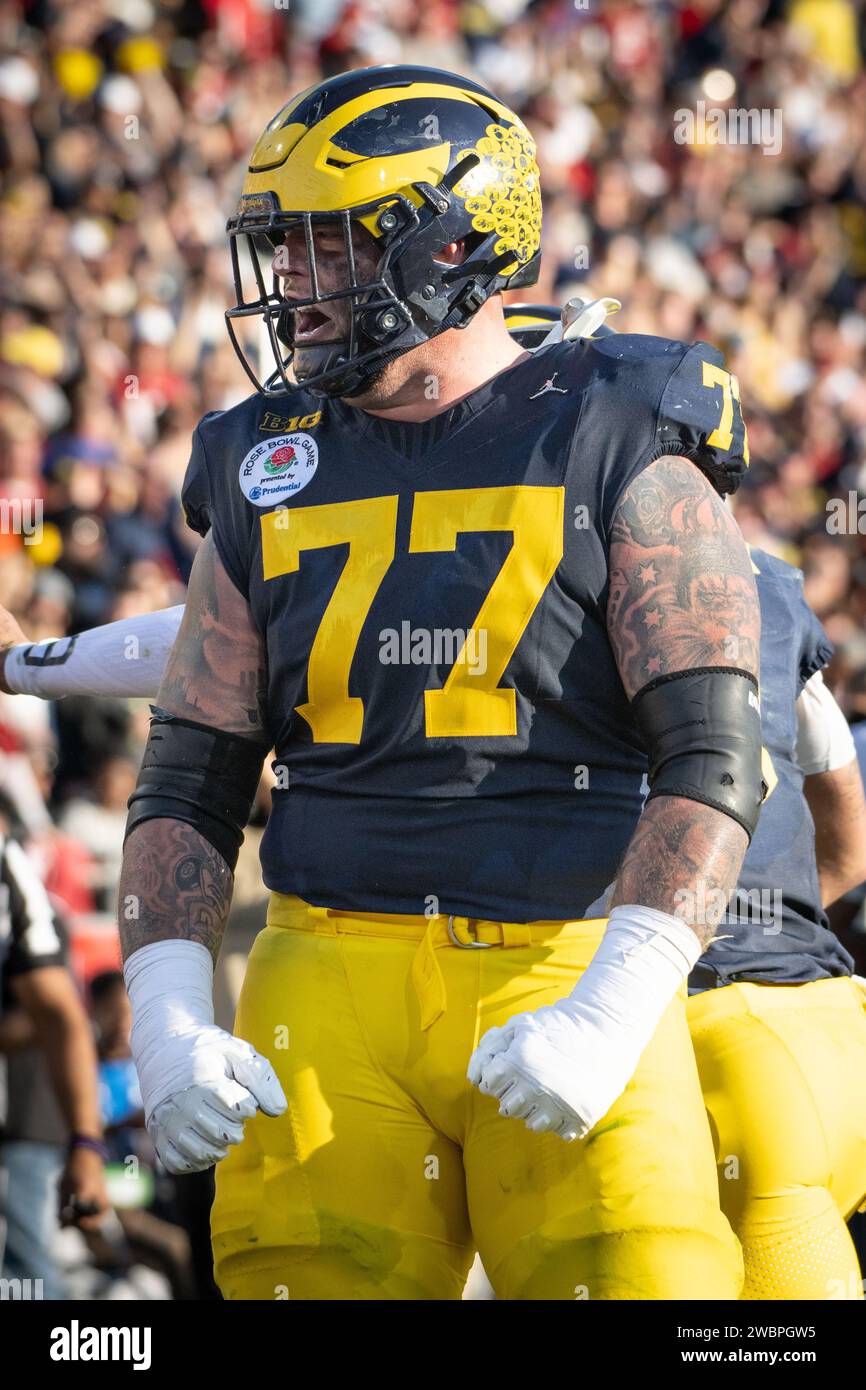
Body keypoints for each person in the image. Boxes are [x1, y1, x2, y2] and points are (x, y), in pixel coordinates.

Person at [113, 65, 767, 1301]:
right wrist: (166, 1011)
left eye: (324, 245)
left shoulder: (615, 417)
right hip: (322, 975)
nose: (290, 287)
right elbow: (189, 771)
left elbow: (713, 755)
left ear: (456, 244)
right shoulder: (263, 457)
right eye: (279, 248)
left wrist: (613, 1005)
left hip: (564, 960)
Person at [0, 789, 109, 1293]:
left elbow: (60, 1018)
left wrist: (86, 1144)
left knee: (26, 1283)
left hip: (23, 1128)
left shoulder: (10, 873)